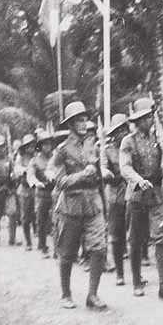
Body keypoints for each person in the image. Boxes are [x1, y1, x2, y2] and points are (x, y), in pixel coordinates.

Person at [47, 101, 108, 310]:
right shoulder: (62, 150)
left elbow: (100, 176)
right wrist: (82, 175)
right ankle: (66, 294)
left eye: (84, 119)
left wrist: (101, 173)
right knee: (67, 252)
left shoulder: (94, 145)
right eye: (78, 120)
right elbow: (60, 182)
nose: (83, 124)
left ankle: (92, 295)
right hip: (71, 207)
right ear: (70, 124)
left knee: (99, 249)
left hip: (94, 205)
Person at [120, 97, 163, 299]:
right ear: (138, 121)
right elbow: (125, 167)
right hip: (137, 195)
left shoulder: (158, 139)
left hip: (157, 194)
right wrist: (138, 179)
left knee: (161, 238)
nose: (150, 120)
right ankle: (136, 282)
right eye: (146, 118)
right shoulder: (128, 141)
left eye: (151, 116)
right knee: (136, 239)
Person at [103, 113, 130, 283]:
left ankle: (136, 274)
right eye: (118, 130)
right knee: (116, 236)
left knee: (136, 235)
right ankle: (120, 273)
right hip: (115, 196)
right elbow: (104, 171)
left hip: (133, 195)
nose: (121, 133)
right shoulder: (107, 150)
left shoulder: (131, 147)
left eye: (124, 129)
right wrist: (111, 175)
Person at [30, 131, 56, 258]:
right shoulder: (35, 160)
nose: (48, 146)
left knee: (57, 220)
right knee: (41, 220)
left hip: (55, 191)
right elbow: (30, 175)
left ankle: (58, 249)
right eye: (45, 144)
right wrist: (36, 183)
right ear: (40, 146)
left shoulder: (55, 157)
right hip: (42, 193)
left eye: (49, 143)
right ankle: (42, 247)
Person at [14, 133, 36, 251]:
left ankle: (40, 239)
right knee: (25, 217)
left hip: (36, 188)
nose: (31, 148)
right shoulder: (20, 157)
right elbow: (17, 170)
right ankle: (28, 241)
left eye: (32, 146)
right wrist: (26, 170)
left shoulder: (37, 156)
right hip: (25, 189)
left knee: (36, 214)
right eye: (28, 146)